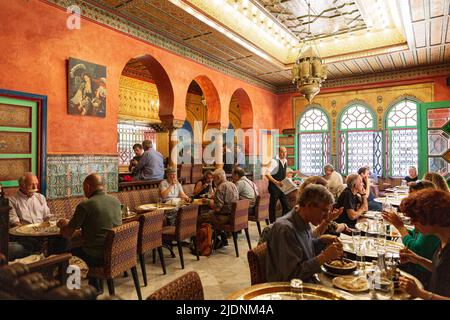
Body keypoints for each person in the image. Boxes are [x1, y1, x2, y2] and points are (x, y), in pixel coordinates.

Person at [266, 184, 344, 282]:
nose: (326, 217)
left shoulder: (303, 221)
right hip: (288, 290)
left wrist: (321, 241)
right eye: (324, 210)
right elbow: (292, 276)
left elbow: (303, 252)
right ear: (309, 205)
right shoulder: (285, 229)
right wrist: (324, 257)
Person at [382, 180, 440, 287]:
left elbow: (417, 248)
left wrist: (400, 227)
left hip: (422, 275)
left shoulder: (433, 223)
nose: (412, 222)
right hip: (419, 267)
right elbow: (438, 267)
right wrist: (398, 224)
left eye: (413, 196)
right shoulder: (428, 219)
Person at [57, 173, 122, 269]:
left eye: (83, 188)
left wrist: (63, 225)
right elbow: (97, 228)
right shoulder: (116, 201)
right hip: (117, 251)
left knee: (63, 255)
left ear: (87, 187)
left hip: (96, 256)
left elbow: (67, 234)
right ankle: (94, 282)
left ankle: (65, 282)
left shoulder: (85, 205)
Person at [396, 189, 450, 299]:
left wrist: (420, 293)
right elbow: (442, 271)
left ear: (432, 217)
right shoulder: (443, 238)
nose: (414, 226)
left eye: (415, 220)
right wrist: (418, 259)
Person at [8, 173, 66, 256]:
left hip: (43, 233)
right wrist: (30, 232)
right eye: (32, 185)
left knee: (64, 237)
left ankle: (56, 262)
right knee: (14, 249)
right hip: (25, 236)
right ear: (22, 185)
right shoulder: (12, 201)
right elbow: (14, 223)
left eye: (36, 184)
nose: (35, 188)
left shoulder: (40, 197)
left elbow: (47, 216)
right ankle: (42, 256)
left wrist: (52, 223)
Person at [198, 169, 239, 246]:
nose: (213, 180)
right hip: (233, 216)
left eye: (214, 178)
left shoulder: (221, 187)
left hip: (224, 217)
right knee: (209, 214)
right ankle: (220, 239)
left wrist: (209, 202)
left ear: (219, 177)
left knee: (199, 218)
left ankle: (201, 245)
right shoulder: (233, 185)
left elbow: (217, 209)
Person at [265, 147, 290, 223]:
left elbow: (284, 173)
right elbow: (267, 173)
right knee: (272, 206)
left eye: (285, 152)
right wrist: (276, 182)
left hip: (282, 187)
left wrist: (287, 180)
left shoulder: (285, 160)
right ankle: (272, 224)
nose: (284, 154)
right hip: (274, 187)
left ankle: (287, 223)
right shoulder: (274, 161)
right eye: (282, 152)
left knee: (286, 206)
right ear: (278, 152)